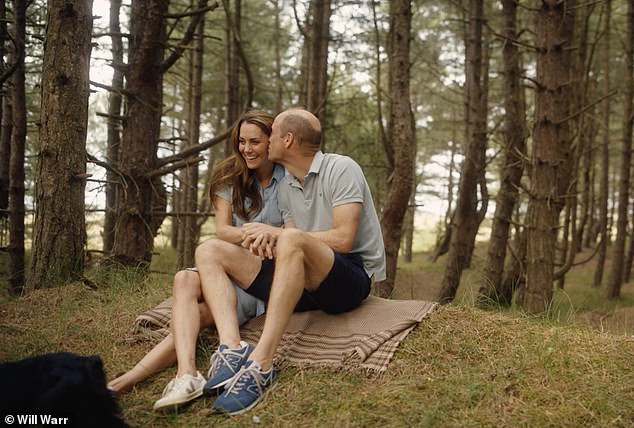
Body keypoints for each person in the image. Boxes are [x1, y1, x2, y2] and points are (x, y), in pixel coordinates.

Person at [195, 108, 386, 415]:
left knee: (291, 238)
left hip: (347, 278)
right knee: (210, 250)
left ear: (288, 139)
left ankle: (262, 364)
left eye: (271, 135)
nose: (265, 140)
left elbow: (343, 239)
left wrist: (279, 235)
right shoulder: (286, 186)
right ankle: (231, 349)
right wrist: (267, 239)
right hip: (301, 284)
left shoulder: (341, 168)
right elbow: (288, 246)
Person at [106, 110, 285, 412]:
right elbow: (223, 230)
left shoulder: (288, 176)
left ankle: (129, 379)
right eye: (241, 141)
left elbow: (297, 230)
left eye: (255, 141)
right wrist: (254, 236)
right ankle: (186, 374)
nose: (247, 148)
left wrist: (273, 236)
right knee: (184, 279)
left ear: (272, 140)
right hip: (229, 262)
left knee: (200, 315)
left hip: (262, 274)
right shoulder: (230, 175)